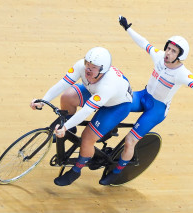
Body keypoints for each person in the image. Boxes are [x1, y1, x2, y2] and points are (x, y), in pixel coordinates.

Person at [98, 16, 193, 185]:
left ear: (180, 56)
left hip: (156, 110)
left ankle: (117, 172)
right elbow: (144, 43)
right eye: (168, 49)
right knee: (117, 102)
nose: (168, 53)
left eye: (173, 51)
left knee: (130, 141)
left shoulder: (182, 73)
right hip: (144, 95)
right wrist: (127, 28)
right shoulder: (159, 56)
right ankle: (108, 130)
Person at [30, 47, 133, 186]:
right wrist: (43, 100)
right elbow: (62, 84)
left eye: (93, 67)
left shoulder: (108, 85)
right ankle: (71, 131)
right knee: (67, 96)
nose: (88, 70)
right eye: (87, 65)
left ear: (102, 70)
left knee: (87, 138)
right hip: (94, 92)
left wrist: (65, 126)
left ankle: (76, 171)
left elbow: (86, 111)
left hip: (116, 106)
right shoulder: (81, 65)